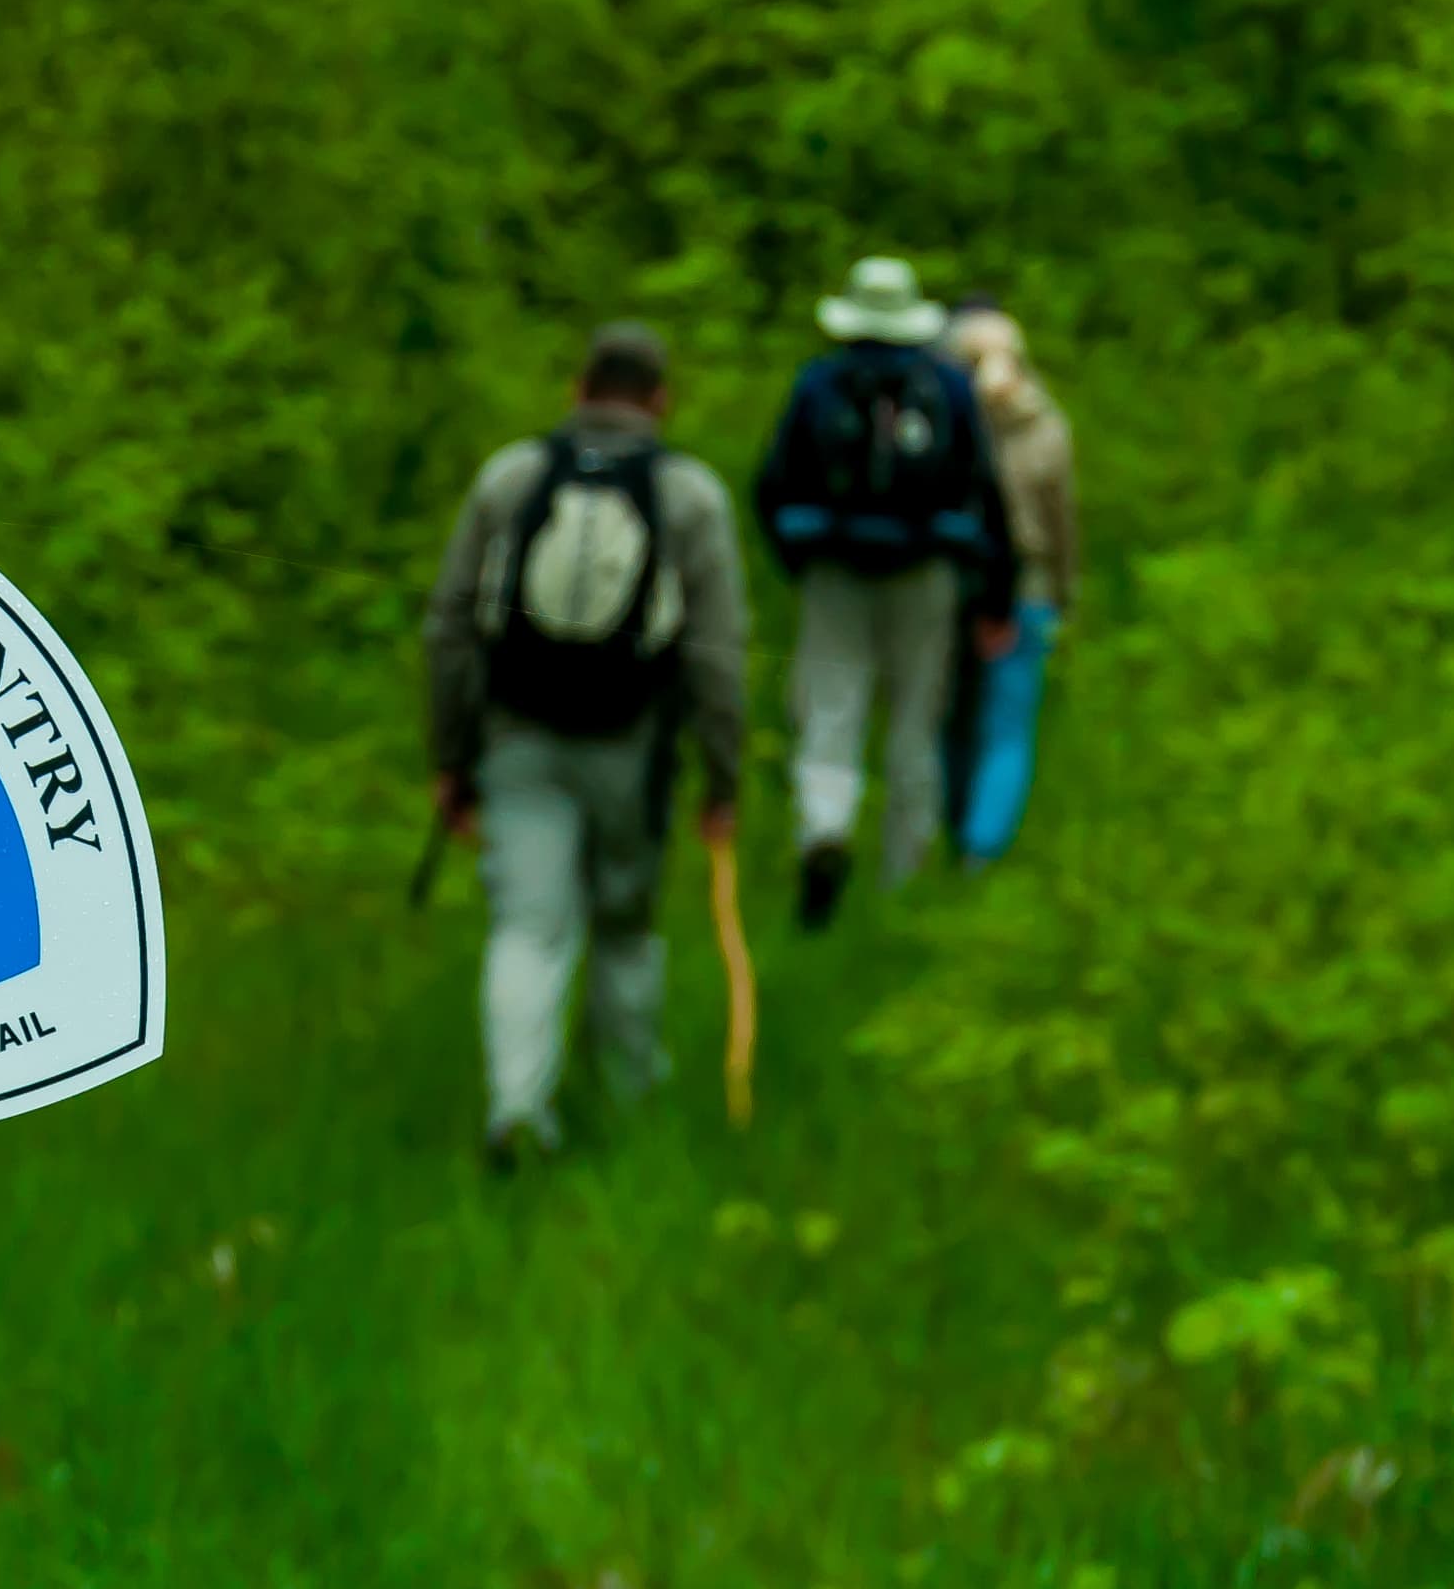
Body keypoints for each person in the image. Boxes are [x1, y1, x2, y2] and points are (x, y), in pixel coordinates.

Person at [424, 322, 748, 1168]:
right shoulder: (691, 497)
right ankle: (630, 1103)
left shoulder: (512, 476)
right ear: (661, 401)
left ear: (578, 390)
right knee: (625, 929)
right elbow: (718, 652)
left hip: (516, 738)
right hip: (632, 749)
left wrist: (450, 757)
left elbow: (450, 627)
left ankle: (517, 1113)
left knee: (527, 929)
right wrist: (724, 777)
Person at [753, 257, 1019, 928]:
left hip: (835, 571)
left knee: (830, 712)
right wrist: (996, 591)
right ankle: (906, 874)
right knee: (915, 725)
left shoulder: (820, 383)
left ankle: (825, 830)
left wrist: (801, 560)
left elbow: (773, 482)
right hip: (924, 572)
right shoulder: (948, 386)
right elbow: (985, 490)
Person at [944, 303, 1078, 868]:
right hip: (1031, 589)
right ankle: (981, 850)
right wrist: (1066, 594)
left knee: (951, 718)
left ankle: (943, 833)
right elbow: (1061, 523)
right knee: (1007, 730)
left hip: (953, 587)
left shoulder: (942, 421)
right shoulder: (1044, 426)